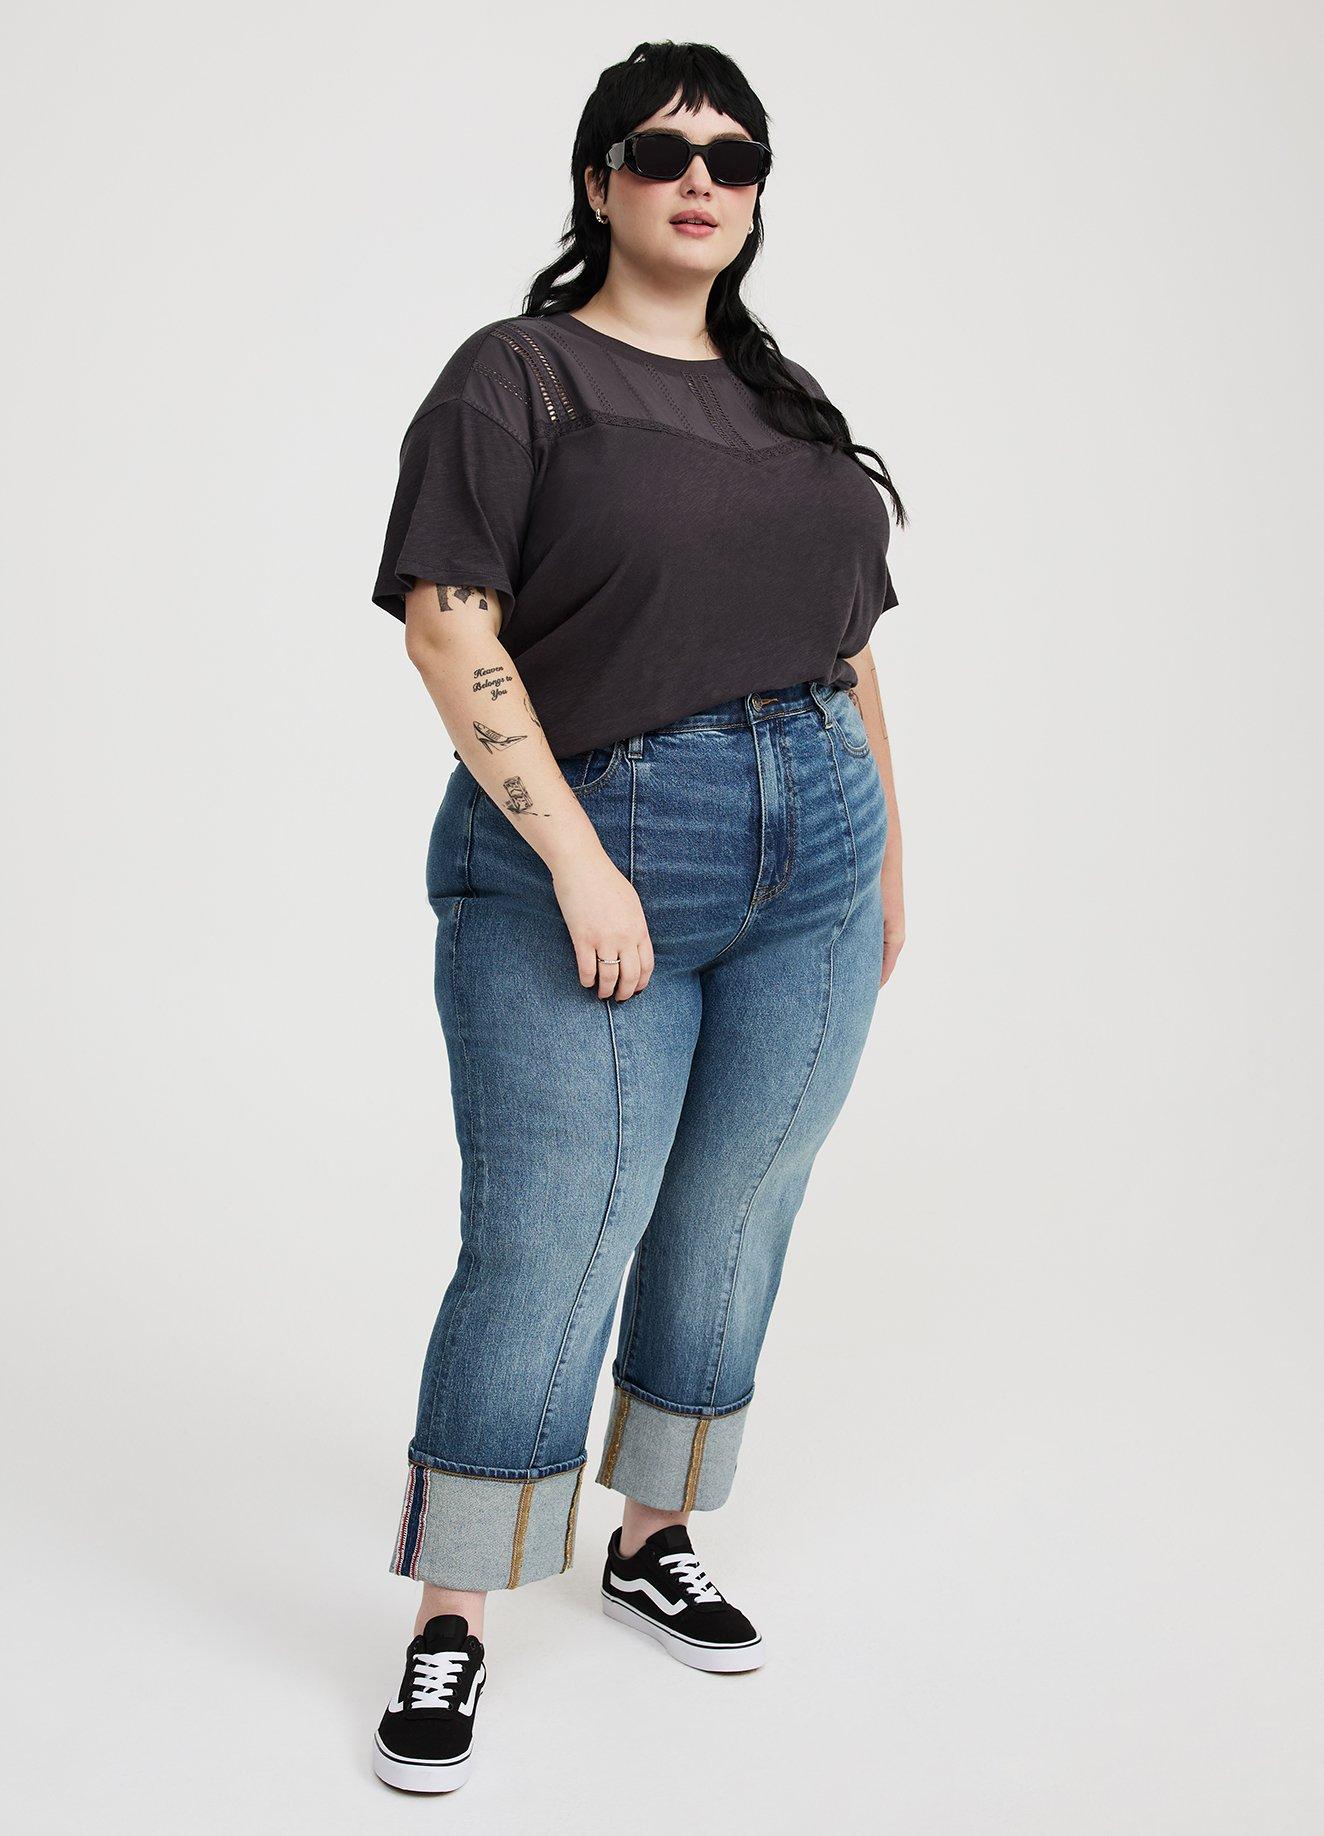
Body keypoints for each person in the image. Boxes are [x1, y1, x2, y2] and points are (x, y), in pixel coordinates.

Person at [366, 39, 908, 1794]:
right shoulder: (519, 377)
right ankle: (454, 1612)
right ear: (598, 180)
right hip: (591, 846)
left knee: (737, 1208)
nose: (702, 179)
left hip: (816, 852)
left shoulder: (785, 401)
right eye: (664, 151)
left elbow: (849, 647)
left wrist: (888, 859)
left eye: (735, 158)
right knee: (553, 1232)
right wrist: (580, 862)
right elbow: (450, 623)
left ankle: (653, 1535)